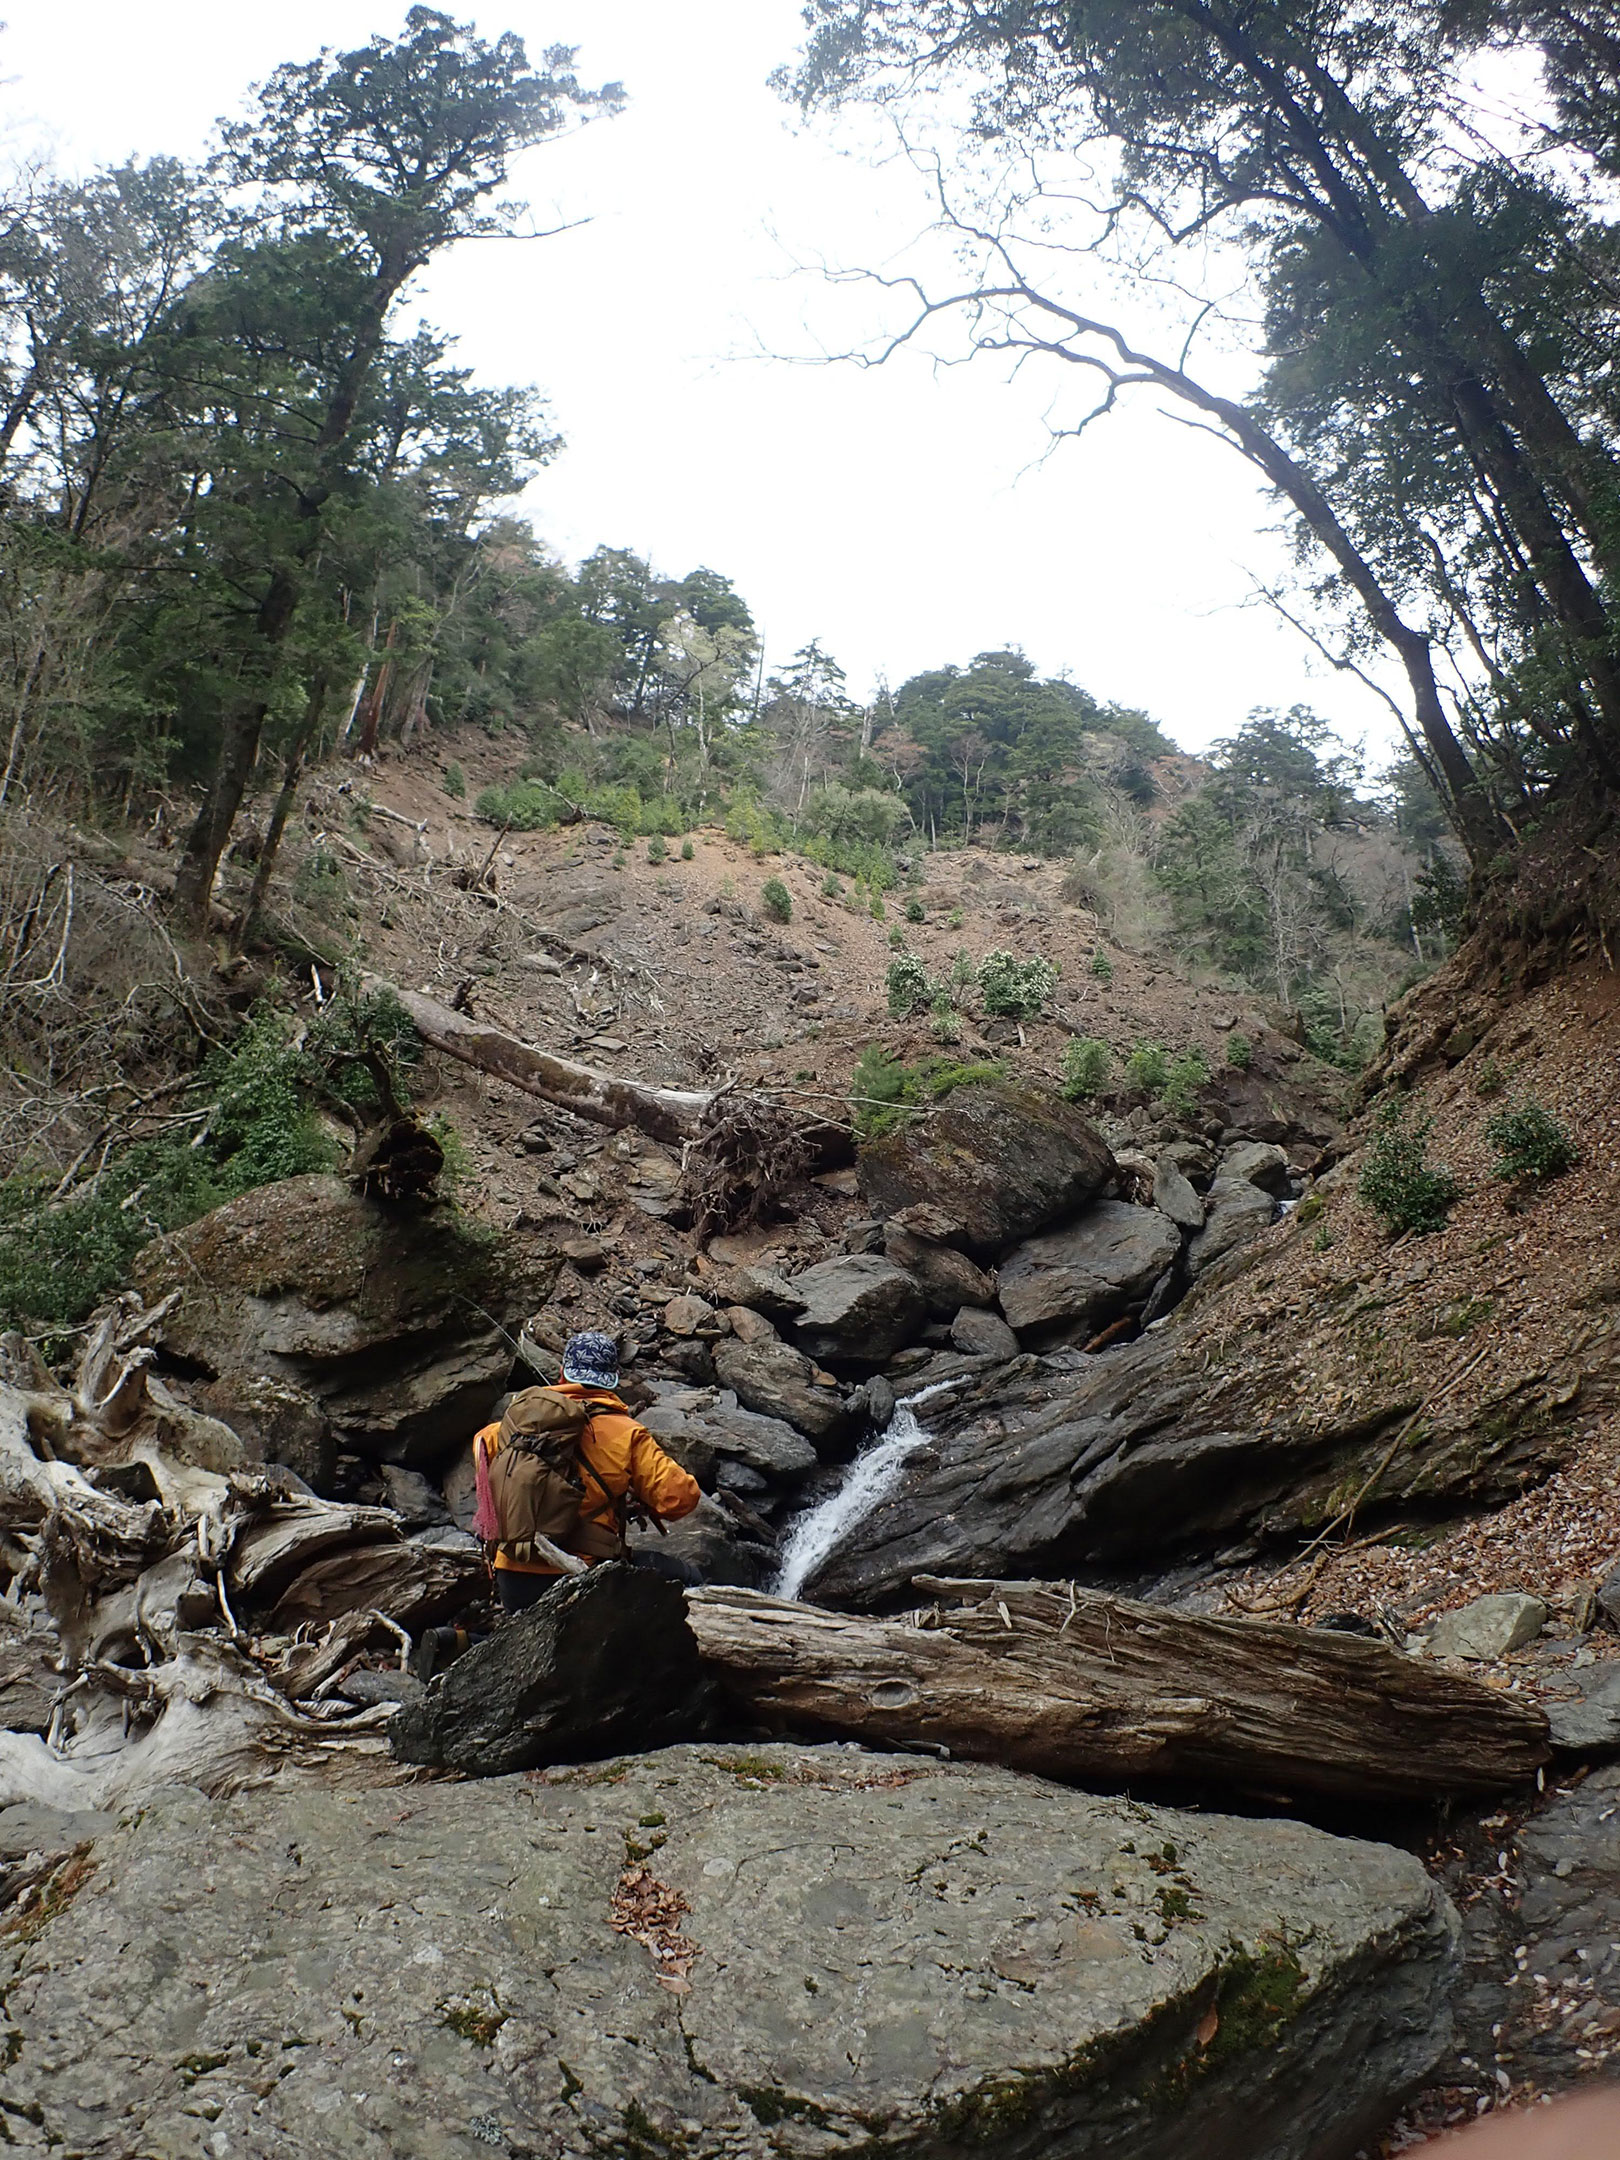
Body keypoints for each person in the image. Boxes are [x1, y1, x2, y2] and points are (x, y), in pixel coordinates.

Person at [474, 1330, 702, 1614]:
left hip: (513, 1578)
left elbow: (486, 1472)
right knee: (690, 1579)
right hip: (583, 1576)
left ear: (561, 1374)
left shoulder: (501, 1431)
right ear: (612, 1381)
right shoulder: (627, 1434)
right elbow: (679, 1499)